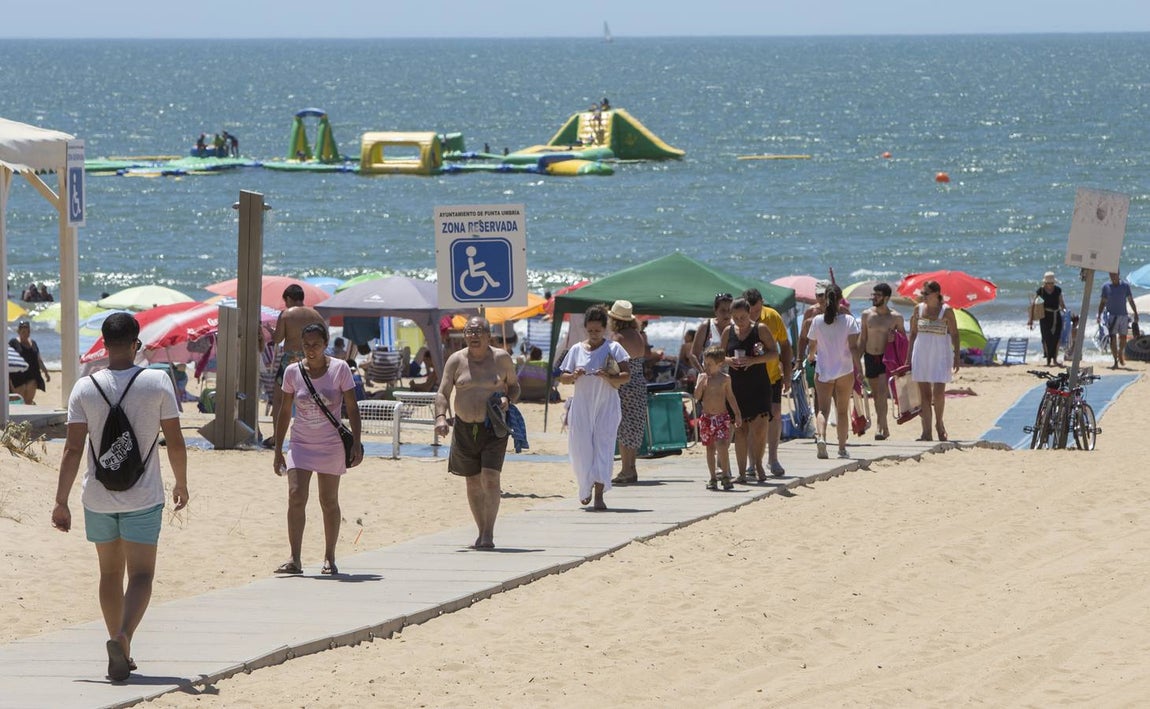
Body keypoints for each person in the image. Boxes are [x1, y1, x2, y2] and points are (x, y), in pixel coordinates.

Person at [51, 312, 188, 682]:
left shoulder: (84, 388)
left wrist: (61, 500)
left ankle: (116, 642)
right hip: (142, 496)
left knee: (109, 573)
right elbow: (175, 442)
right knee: (141, 574)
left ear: (103, 344)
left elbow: (72, 450)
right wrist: (181, 483)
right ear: (135, 343)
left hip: (96, 497)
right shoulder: (157, 381)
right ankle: (124, 640)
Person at [272, 323, 362, 576]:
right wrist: (278, 448)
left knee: (328, 501)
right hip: (300, 443)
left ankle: (329, 558)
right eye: (307, 345)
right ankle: (295, 558)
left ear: (325, 345)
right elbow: (283, 412)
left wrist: (356, 442)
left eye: (316, 345)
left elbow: (352, 408)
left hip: (331, 445)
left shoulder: (340, 369)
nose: (311, 350)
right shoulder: (292, 372)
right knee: (296, 495)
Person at [435, 317, 520, 548]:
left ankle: (488, 534)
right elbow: (443, 392)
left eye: (478, 332)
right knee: (472, 482)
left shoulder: (501, 358)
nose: (473, 336)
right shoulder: (456, 360)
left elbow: (514, 387)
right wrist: (440, 417)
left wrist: (506, 397)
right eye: (469, 332)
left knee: (491, 478)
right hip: (464, 427)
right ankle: (481, 530)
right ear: (464, 335)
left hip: (493, 427)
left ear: (488, 335)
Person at [558, 305, 630, 510]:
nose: (594, 334)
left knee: (603, 449)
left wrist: (608, 376)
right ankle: (585, 486)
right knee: (580, 449)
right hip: (581, 406)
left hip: (606, 405)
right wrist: (573, 376)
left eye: (598, 331)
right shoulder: (575, 350)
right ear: (585, 329)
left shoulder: (614, 348)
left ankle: (599, 495)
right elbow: (563, 377)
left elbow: (626, 376)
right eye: (590, 331)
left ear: (605, 329)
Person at [719, 297, 778, 483]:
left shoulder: (760, 329)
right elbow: (719, 356)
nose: (739, 321)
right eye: (735, 318)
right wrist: (729, 361)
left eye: (742, 317)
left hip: (759, 384)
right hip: (737, 386)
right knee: (740, 430)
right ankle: (742, 473)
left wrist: (752, 360)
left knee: (759, 430)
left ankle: (758, 464)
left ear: (749, 313)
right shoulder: (728, 332)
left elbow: (774, 353)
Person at [265, 284, 325, 448]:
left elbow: (277, 339)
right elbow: (324, 338)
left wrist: (271, 331)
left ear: (289, 299)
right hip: (311, 359)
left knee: (279, 399)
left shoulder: (286, 315)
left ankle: (277, 437)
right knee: (311, 399)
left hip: (290, 360)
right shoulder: (316, 315)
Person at [806, 284, 861, 459]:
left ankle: (821, 438)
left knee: (822, 409)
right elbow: (853, 347)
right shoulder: (849, 321)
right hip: (844, 370)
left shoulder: (817, 321)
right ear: (840, 300)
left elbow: (812, 345)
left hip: (824, 369)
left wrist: (811, 356)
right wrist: (859, 367)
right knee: (843, 411)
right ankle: (842, 448)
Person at [743, 288, 793, 476]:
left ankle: (773, 459)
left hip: (772, 376)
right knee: (751, 420)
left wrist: (787, 375)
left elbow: (785, 346)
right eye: (751, 311)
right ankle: (751, 462)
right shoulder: (740, 320)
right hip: (748, 379)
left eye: (757, 310)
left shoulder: (772, 316)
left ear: (762, 303)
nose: (754, 315)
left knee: (776, 414)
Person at [907, 280, 961, 442]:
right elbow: (913, 334)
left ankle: (939, 423)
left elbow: (955, 334)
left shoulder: (946, 311)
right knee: (924, 394)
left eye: (926, 293)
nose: (923, 296)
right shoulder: (918, 309)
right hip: (921, 352)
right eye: (922, 293)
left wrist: (957, 355)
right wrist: (908, 357)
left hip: (940, 353)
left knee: (938, 393)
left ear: (937, 293)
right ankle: (926, 431)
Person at [608, 300, 648, 485]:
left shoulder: (618, 338)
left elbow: (612, 364)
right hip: (639, 382)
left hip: (625, 384)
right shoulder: (638, 335)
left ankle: (625, 470)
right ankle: (631, 468)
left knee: (623, 427)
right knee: (634, 426)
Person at [858, 283, 906, 440]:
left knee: (883, 393)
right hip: (870, 356)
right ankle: (884, 428)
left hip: (887, 358)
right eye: (873, 295)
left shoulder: (896, 317)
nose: (874, 298)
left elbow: (904, 341)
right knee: (876, 394)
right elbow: (863, 339)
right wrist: (856, 361)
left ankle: (880, 426)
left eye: (877, 295)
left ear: (886, 298)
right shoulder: (866, 315)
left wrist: (895, 338)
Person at [694, 346, 743, 490]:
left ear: (719, 364)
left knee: (722, 446)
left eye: (709, 364)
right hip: (707, 418)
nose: (706, 367)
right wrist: (700, 384)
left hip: (721, 417)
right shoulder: (703, 378)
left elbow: (730, 397)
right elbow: (696, 397)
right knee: (709, 448)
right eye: (705, 363)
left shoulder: (725, 379)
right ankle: (712, 477)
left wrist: (737, 414)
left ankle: (726, 475)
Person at [1097, 271, 1139, 369]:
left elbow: (1130, 300)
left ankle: (1120, 353)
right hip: (1111, 316)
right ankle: (1115, 361)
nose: (1112, 276)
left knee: (1123, 338)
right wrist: (1099, 315)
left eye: (1114, 274)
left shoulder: (1125, 286)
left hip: (1123, 316)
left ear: (1119, 274)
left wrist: (1136, 313)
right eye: (1111, 274)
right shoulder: (1106, 287)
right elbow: (1102, 302)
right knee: (1113, 339)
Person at [1028, 271, 1067, 367]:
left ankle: (1055, 359)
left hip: (1056, 315)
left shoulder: (1058, 290)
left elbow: (1061, 303)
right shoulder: (1041, 291)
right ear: (1045, 283)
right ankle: (1048, 360)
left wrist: (1066, 312)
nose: (1050, 285)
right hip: (1045, 317)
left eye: (1051, 283)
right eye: (1048, 283)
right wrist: (1031, 319)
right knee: (1046, 338)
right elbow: (1033, 304)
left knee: (1056, 338)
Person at [8, 320, 51, 405]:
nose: (25, 333)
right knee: (19, 400)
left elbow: (38, 359)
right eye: (23, 331)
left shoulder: (33, 343)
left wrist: (46, 372)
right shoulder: (13, 342)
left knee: (28, 400)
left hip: (32, 375)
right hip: (17, 376)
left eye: (27, 331)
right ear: (18, 332)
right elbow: (8, 358)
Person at [690, 293, 734, 372]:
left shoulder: (736, 327)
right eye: (722, 310)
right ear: (715, 311)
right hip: (710, 378)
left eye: (729, 310)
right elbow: (693, 355)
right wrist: (702, 373)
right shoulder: (706, 326)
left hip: (731, 378)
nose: (726, 314)